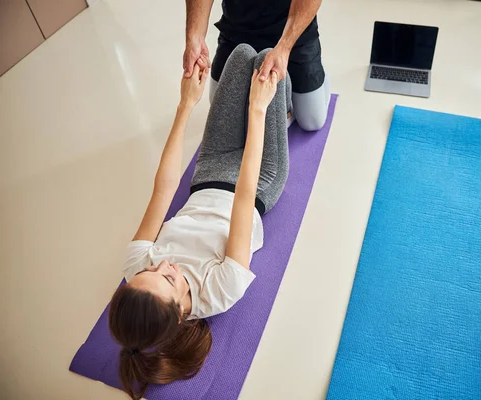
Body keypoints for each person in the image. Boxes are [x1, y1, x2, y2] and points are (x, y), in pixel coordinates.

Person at [108, 44, 290, 400]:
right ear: (180, 315)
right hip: (260, 180)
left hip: (208, 169)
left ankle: (271, 109)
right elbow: (243, 197)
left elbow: (164, 189)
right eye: (167, 278)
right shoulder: (220, 292)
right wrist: (258, 110)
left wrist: (186, 104)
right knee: (269, 62)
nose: (163, 264)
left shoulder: (136, 269)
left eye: (149, 271)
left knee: (241, 55)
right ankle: (282, 112)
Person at [183, 0, 330, 131]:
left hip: (294, 31)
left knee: (312, 122)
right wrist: (195, 37)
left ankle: (316, 66)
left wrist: (284, 47)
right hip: (238, 26)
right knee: (221, 114)